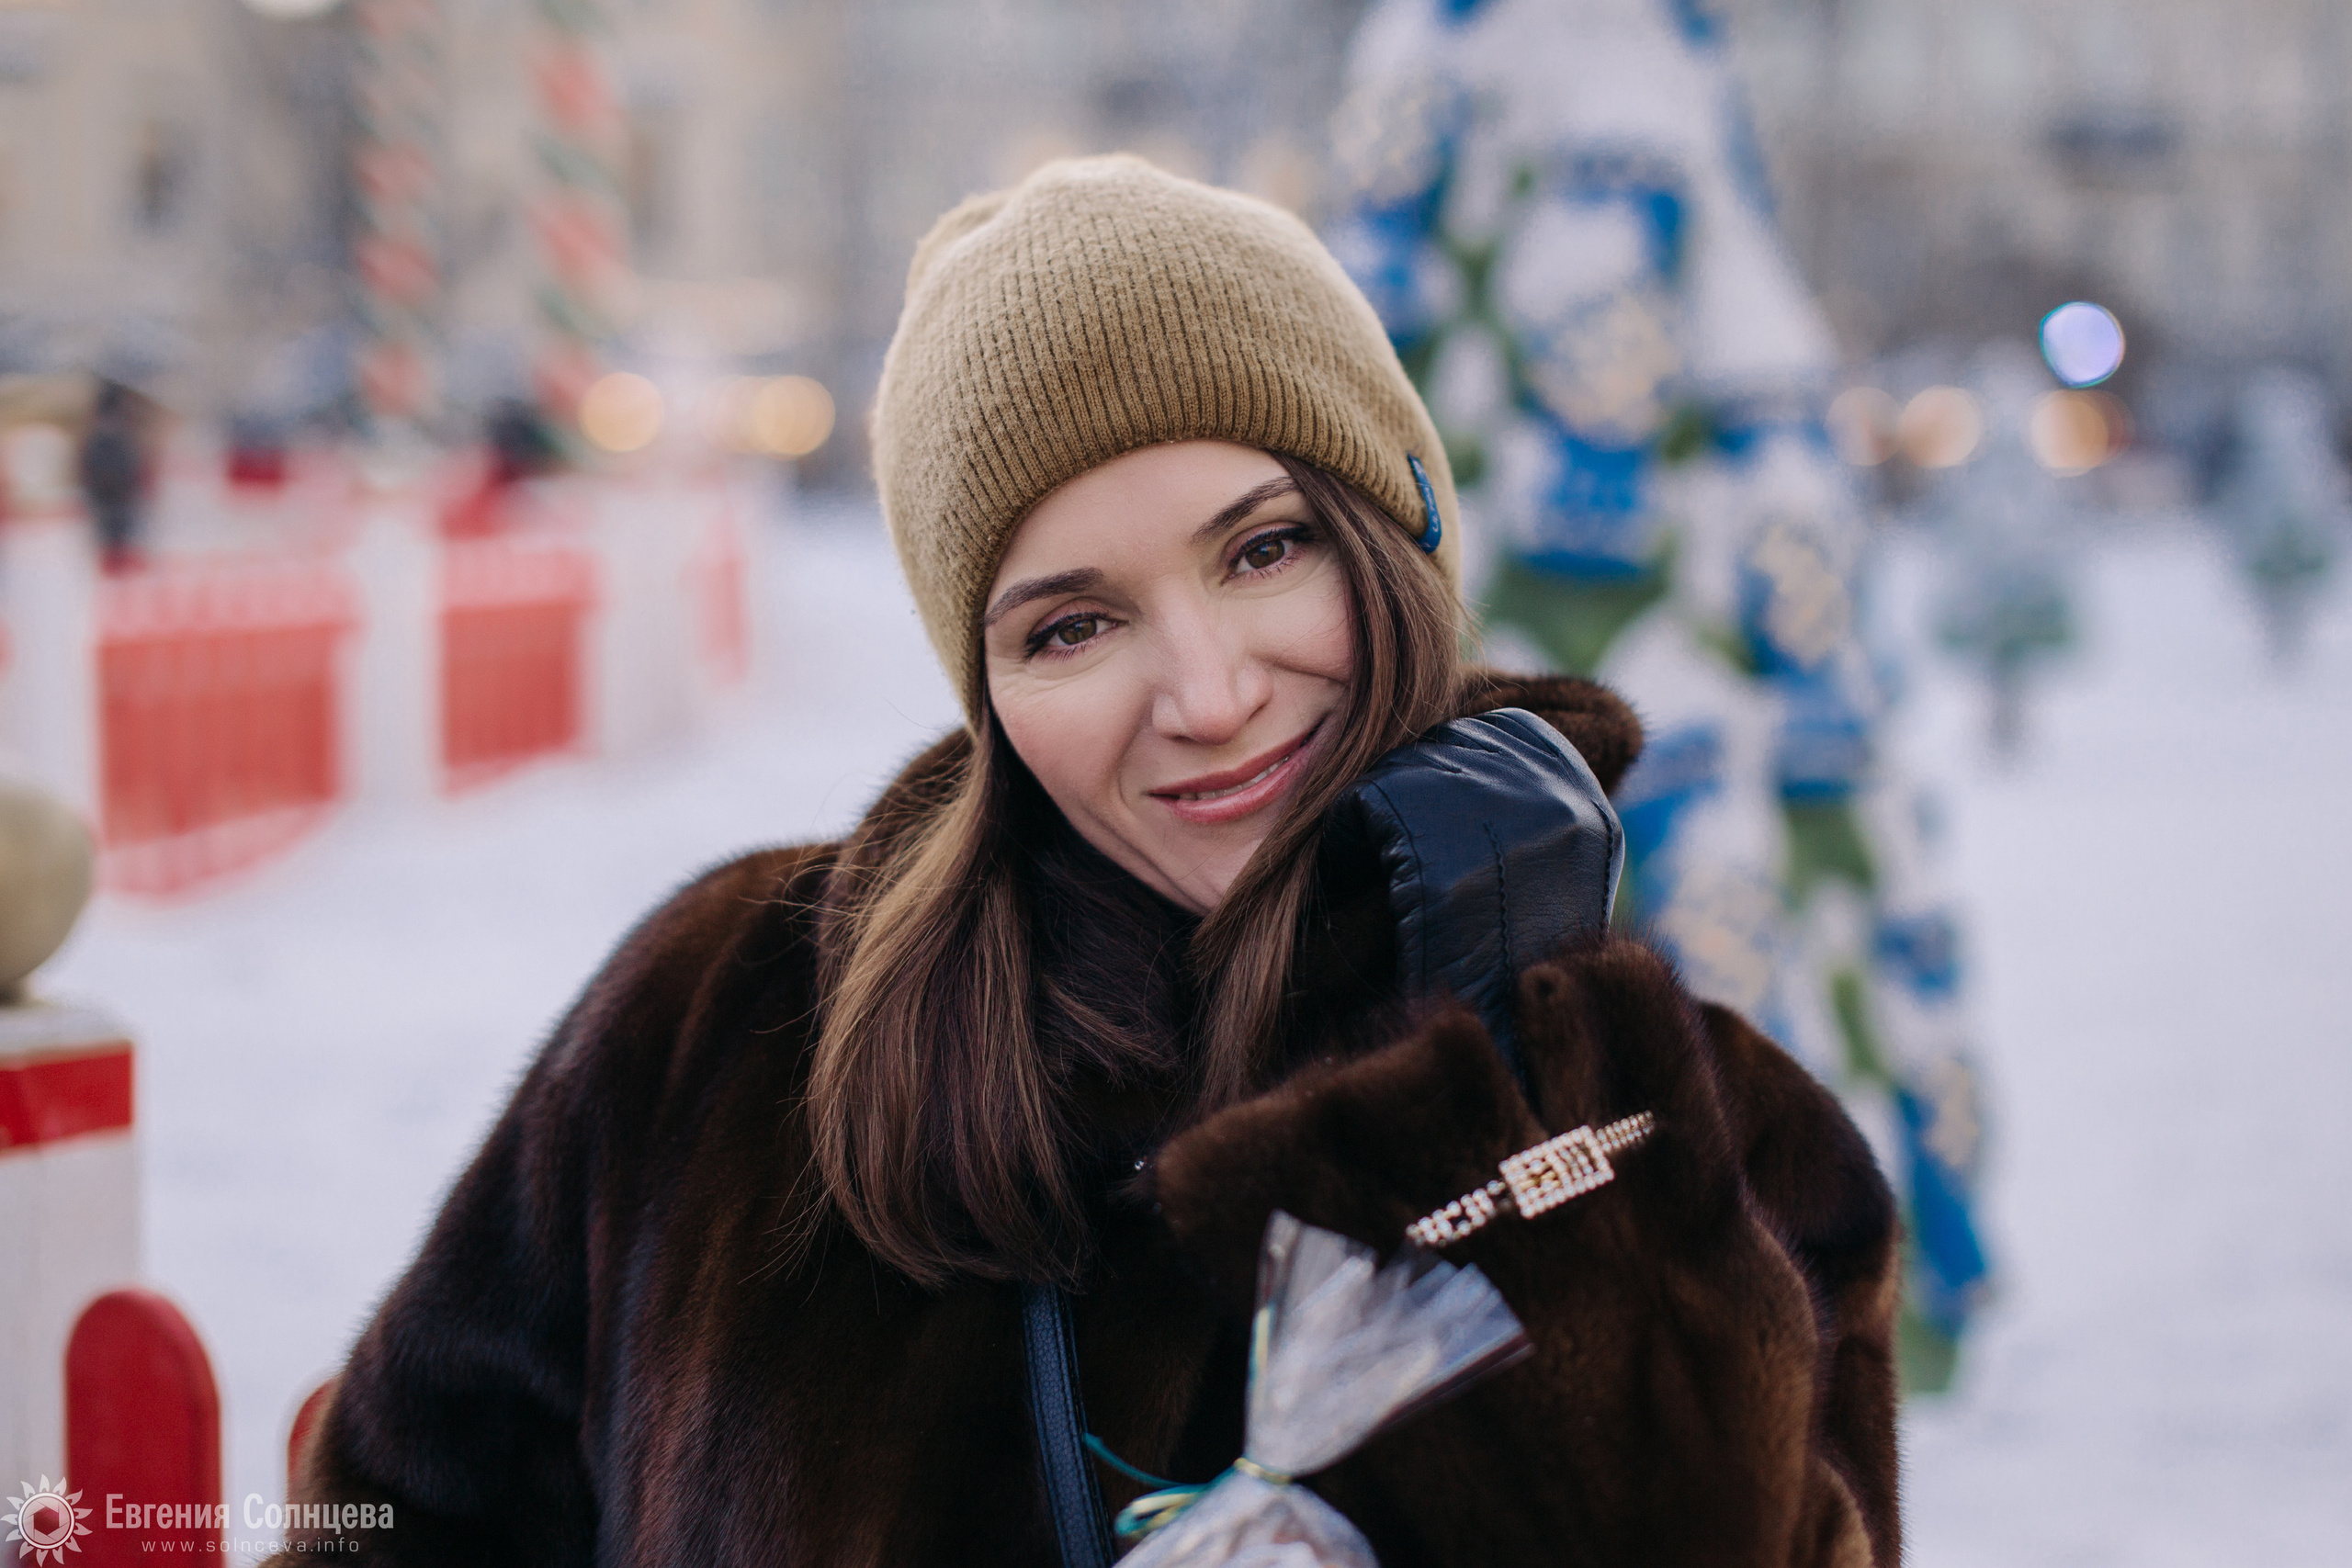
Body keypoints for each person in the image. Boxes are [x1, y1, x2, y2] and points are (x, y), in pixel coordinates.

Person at [275, 157, 1898, 1568]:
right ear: (993, 697)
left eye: (1266, 549)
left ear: (1399, 530)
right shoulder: (722, 1029)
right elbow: (400, 1524)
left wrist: (1497, 1098)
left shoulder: (1713, 1148)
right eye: (1073, 625)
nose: (1206, 695)